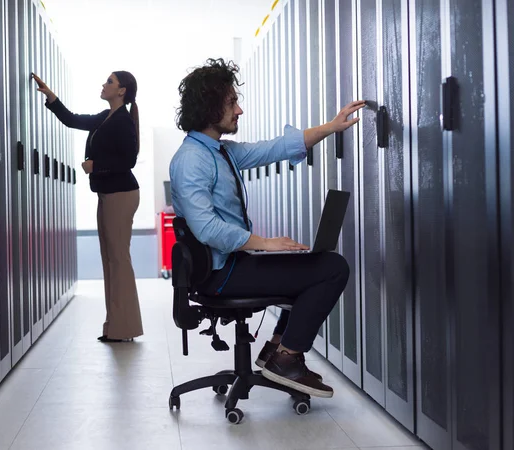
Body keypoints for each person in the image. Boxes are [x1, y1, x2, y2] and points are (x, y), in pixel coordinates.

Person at [169, 58, 364, 398]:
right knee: (331, 269)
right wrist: (264, 243)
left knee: (311, 264)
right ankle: (286, 357)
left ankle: (277, 350)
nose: (239, 110)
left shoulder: (218, 152)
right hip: (221, 274)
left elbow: (271, 149)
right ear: (210, 107)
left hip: (230, 264)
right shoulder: (191, 160)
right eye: (232, 102)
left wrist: (330, 128)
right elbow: (206, 228)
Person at [32, 71, 143, 343]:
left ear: (122, 91)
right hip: (107, 193)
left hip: (121, 194)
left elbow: (129, 159)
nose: (104, 85)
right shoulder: (105, 117)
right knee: (110, 261)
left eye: (109, 82)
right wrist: (51, 96)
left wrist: (96, 165)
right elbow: (72, 120)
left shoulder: (123, 121)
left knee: (118, 261)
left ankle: (125, 328)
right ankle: (114, 326)